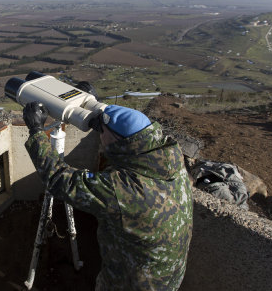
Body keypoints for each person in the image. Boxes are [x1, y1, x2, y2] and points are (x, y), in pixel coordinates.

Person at [23, 98, 193, 291]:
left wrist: (37, 131)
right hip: (167, 278)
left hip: (130, 284)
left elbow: (59, 179)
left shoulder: (123, 190)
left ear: (120, 143)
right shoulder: (171, 162)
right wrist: (87, 101)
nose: (99, 133)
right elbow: (122, 127)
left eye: (101, 130)